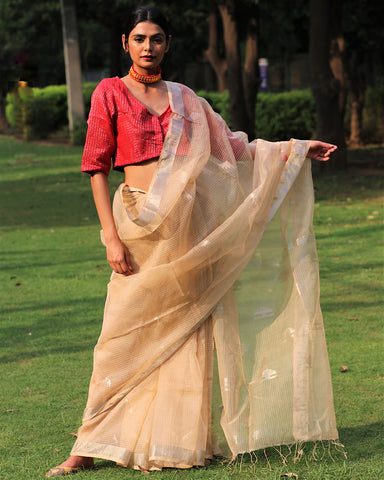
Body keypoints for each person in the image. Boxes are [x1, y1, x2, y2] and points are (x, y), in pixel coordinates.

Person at [46, 5, 339, 477]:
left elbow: (234, 147)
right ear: (126, 43)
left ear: (167, 44)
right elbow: (96, 168)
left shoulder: (185, 98)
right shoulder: (110, 92)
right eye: (140, 38)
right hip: (138, 222)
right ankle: (86, 445)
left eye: (157, 39)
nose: (148, 47)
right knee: (118, 336)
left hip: (190, 225)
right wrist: (110, 236)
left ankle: (182, 441)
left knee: (189, 329)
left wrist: (298, 148)